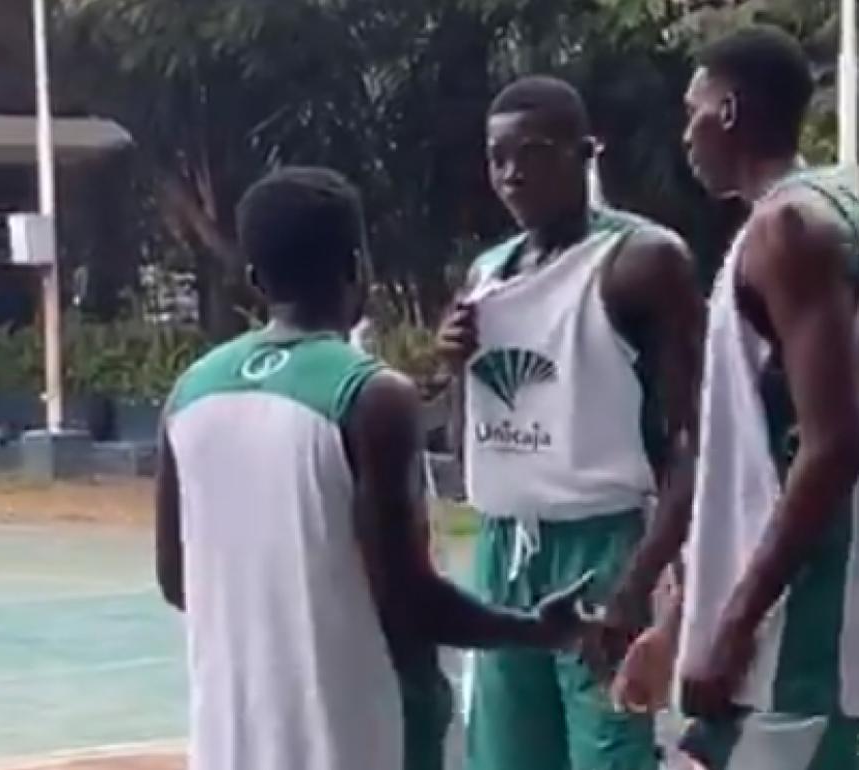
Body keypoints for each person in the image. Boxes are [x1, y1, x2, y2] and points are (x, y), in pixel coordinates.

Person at [154, 167, 592, 770]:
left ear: (254, 278)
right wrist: (535, 630)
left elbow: (177, 583)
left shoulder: (188, 394)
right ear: (358, 267)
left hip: (234, 739)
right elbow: (408, 600)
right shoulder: (372, 396)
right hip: (369, 735)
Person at [611, 26, 859, 769]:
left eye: (691, 111)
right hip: (768, 641)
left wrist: (733, 626)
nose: (683, 134)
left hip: (799, 640)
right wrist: (685, 619)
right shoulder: (808, 220)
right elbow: (753, 459)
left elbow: (831, 448)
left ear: (726, 111)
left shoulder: (791, 230)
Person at [435, 76, 702, 770]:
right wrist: (454, 364)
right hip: (503, 547)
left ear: (586, 153)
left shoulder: (642, 262)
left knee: (610, 753)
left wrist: (637, 584)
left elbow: (692, 440)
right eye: (498, 157)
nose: (513, 172)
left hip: (600, 544)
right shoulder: (488, 273)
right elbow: (468, 434)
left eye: (535, 152)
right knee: (504, 758)